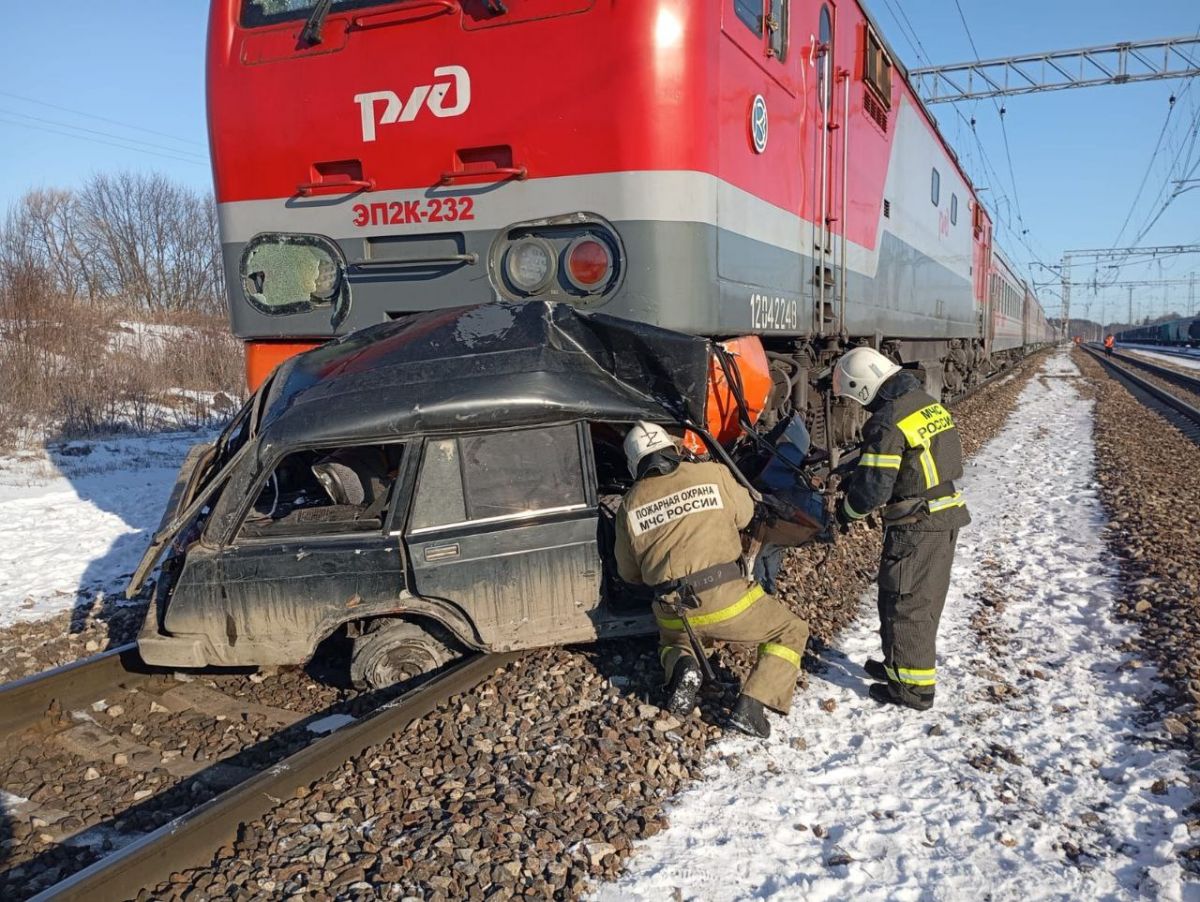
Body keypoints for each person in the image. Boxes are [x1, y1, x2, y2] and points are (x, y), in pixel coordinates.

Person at [613, 422, 810, 738]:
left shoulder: (630, 504)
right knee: (791, 630)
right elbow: (746, 516)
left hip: (672, 612)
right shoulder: (712, 474)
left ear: (635, 464)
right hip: (725, 600)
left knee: (671, 643)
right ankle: (752, 706)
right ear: (673, 450)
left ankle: (682, 664)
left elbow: (628, 573)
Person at [832, 347, 971, 711]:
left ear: (862, 388)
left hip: (918, 525)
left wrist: (847, 512)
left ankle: (912, 690)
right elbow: (911, 459)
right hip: (940, 514)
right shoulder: (923, 401)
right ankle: (899, 667)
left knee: (905, 601)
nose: (860, 408)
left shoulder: (887, 419)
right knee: (916, 599)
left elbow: (873, 490)